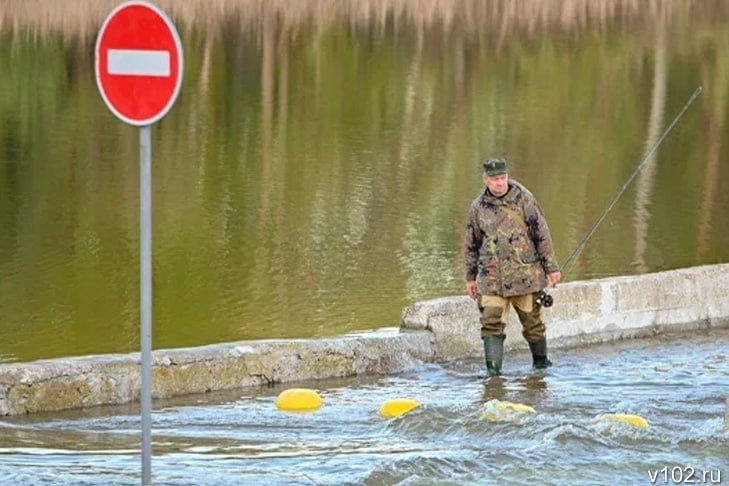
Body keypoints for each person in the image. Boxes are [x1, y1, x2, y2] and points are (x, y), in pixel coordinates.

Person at [464, 158, 561, 376]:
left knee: (533, 324)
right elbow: (471, 244)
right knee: (490, 325)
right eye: (495, 179)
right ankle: (493, 374)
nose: (500, 183)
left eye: (502, 178)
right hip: (490, 279)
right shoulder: (477, 207)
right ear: (486, 180)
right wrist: (470, 277)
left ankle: (541, 365)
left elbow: (542, 234)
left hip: (525, 277)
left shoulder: (524, 199)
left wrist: (551, 268)